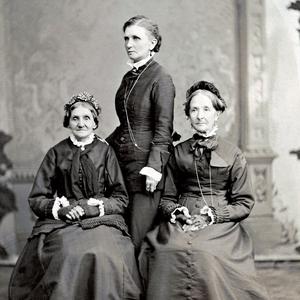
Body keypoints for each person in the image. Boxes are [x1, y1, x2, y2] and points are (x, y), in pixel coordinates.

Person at [139, 81, 270, 299]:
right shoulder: (178, 152)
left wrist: (215, 215)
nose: (200, 116)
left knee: (205, 253)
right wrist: (178, 213)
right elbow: (167, 199)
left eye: (206, 109)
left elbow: (244, 203)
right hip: (184, 217)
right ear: (188, 116)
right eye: (194, 110)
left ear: (217, 113)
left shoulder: (233, 154)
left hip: (220, 221)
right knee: (167, 250)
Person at [9, 92, 142, 299]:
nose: (81, 123)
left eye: (86, 118)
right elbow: (37, 198)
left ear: (95, 122)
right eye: (75, 118)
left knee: (104, 253)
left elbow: (120, 197)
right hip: (65, 221)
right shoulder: (56, 152)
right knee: (68, 254)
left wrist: (92, 208)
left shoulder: (106, 152)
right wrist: (62, 210)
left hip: (101, 218)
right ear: (68, 122)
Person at [106, 15, 175, 250]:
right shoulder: (128, 78)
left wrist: (154, 169)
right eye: (126, 38)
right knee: (121, 235)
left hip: (146, 170)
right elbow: (125, 124)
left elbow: (164, 129)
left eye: (136, 38)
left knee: (137, 240)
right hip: (122, 165)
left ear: (153, 43)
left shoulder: (161, 78)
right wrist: (99, 146)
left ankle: (137, 288)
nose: (129, 44)